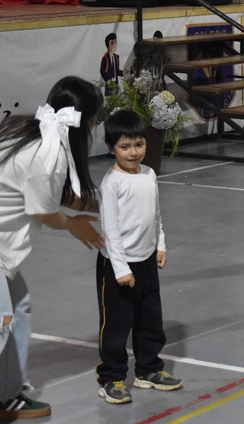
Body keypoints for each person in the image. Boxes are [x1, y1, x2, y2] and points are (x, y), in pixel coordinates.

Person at [0, 76, 105, 424]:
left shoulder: (33, 131)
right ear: (87, 122)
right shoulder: (48, 151)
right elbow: (46, 211)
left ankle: (4, 397)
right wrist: (74, 225)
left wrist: (111, 202)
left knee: (17, 305)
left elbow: (55, 191)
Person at [95, 109, 182, 405]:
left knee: (150, 319)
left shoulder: (149, 174)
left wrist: (160, 245)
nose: (133, 152)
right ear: (111, 148)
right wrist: (121, 269)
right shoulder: (111, 183)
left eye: (139, 145)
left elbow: (154, 215)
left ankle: (149, 369)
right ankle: (111, 377)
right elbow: (110, 230)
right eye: (125, 146)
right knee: (116, 325)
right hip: (117, 265)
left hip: (146, 260)